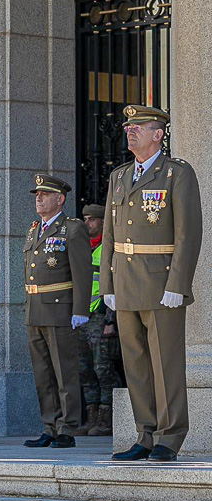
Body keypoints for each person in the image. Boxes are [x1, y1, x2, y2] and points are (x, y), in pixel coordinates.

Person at [101, 105, 202, 462]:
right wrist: (106, 286)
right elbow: (109, 238)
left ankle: (170, 436)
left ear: (158, 133)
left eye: (138, 126)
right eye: (128, 125)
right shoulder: (119, 176)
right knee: (136, 364)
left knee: (165, 363)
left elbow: (188, 233)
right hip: (126, 284)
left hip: (161, 284)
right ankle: (145, 432)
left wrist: (179, 282)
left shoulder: (176, 174)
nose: (130, 130)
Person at [23, 175, 92, 449]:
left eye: (45, 194)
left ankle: (68, 426)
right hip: (36, 309)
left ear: (60, 199)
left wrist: (80, 309)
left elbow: (82, 271)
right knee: (43, 374)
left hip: (60, 309)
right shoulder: (33, 229)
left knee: (65, 372)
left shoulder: (72, 229)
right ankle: (50, 426)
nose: (38, 198)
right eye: (37, 194)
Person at [74, 204, 121, 437]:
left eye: (92, 219)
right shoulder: (81, 246)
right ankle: (91, 417)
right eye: (85, 219)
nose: (87, 223)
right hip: (81, 317)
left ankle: (109, 418)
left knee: (104, 369)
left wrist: (111, 320)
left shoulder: (108, 249)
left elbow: (114, 286)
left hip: (101, 317)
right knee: (85, 370)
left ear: (103, 222)